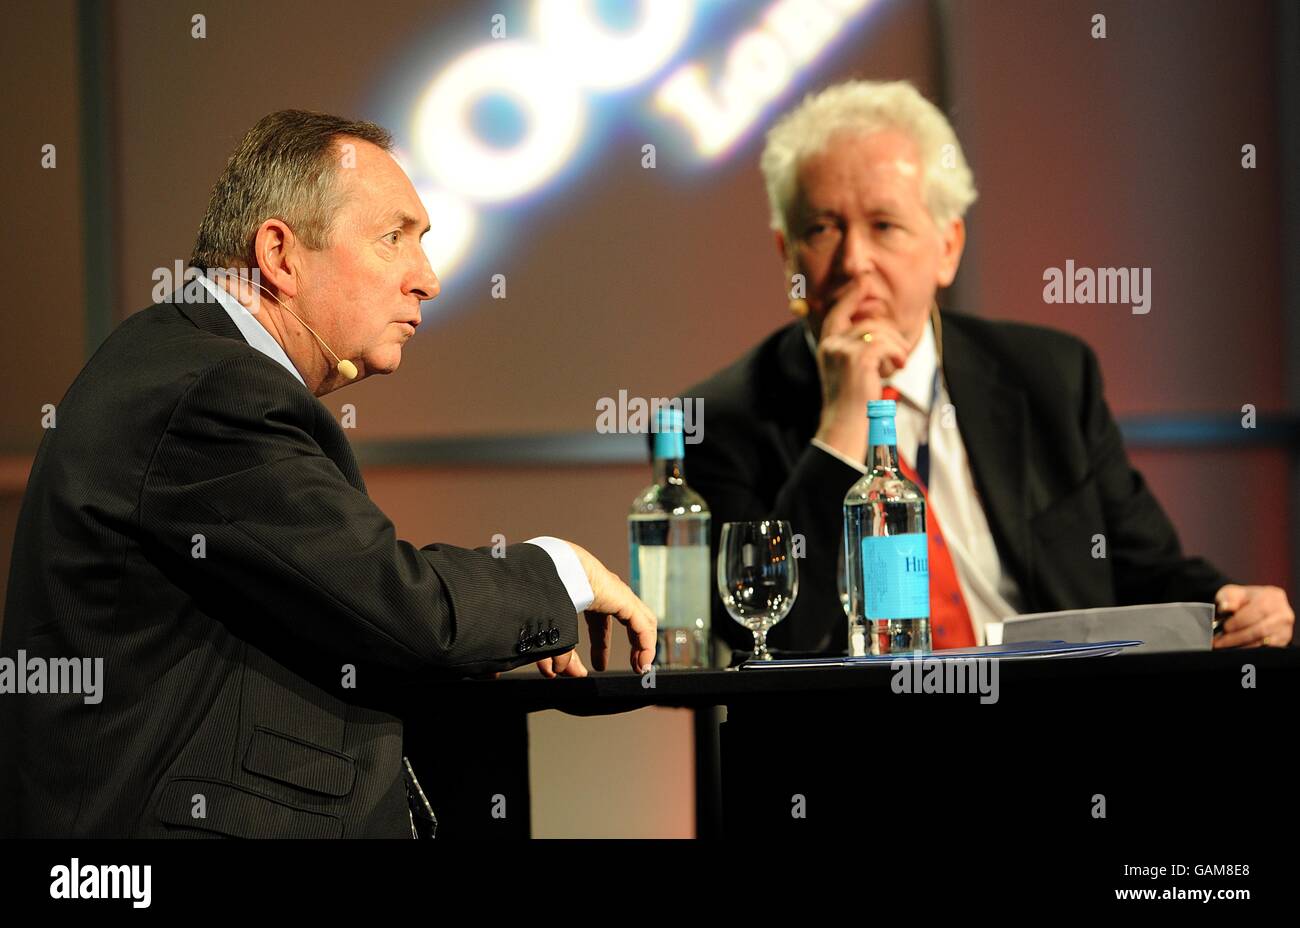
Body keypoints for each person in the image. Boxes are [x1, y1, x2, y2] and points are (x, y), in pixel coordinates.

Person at [0, 110, 655, 838]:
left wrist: (495, 628)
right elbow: (398, 609)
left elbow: (333, 611)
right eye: (393, 239)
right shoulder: (215, 391)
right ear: (280, 255)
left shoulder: (181, 360)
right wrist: (560, 571)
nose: (428, 280)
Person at [683, 80, 1293, 657]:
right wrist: (842, 429)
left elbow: (1144, 571)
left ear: (947, 248)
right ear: (785, 252)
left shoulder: (1050, 376)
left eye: (885, 226)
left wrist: (1233, 607)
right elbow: (763, 637)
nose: (854, 261)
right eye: (822, 229)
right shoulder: (725, 420)